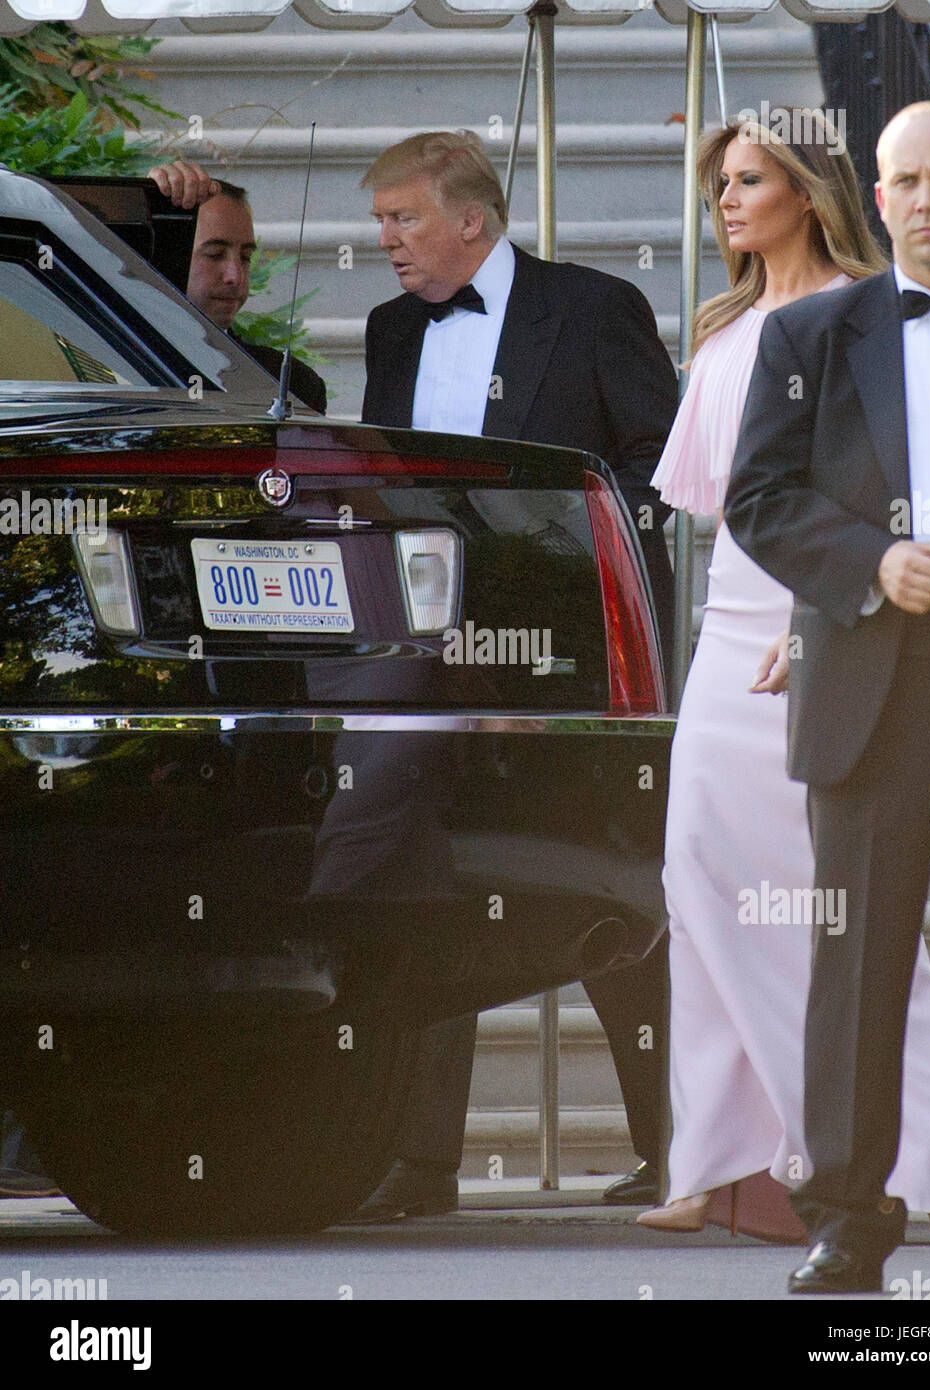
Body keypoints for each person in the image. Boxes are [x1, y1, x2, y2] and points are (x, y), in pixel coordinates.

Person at [638, 107, 930, 1247]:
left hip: (837, 630)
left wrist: (819, 614)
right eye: (720, 183)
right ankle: (722, 1161)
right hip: (748, 634)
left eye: (749, 180)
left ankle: (923, 1159)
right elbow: (741, 504)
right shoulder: (737, 329)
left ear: (809, 191)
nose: (727, 201)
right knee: (709, 885)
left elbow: (850, 495)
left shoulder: (859, 317)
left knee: (847, 909)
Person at [354, 129, 679, 1219]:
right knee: (423, 879)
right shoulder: (390, 328)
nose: (385, 238)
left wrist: (558, 560)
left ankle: (676, 1148)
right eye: (380, 220)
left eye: (401, 216)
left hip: (569, 655)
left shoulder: (591, 308)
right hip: (422, 652)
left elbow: (659, 464)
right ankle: (417, 1162)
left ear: (471, 218)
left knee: (605, 878)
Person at [724, 100, 930, 1293]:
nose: (929, 200)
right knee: (856, 959)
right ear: (877, 200)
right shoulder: (808, 335)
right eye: (908, 182)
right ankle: (845, 1213)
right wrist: (870, 563)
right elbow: (759, 496)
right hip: (867, 669)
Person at [147, 159, 327, 414]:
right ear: (162, 254)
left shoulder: (292, 385)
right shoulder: (110, 362)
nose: (236, 276)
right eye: (215, 254)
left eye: (245, 257)